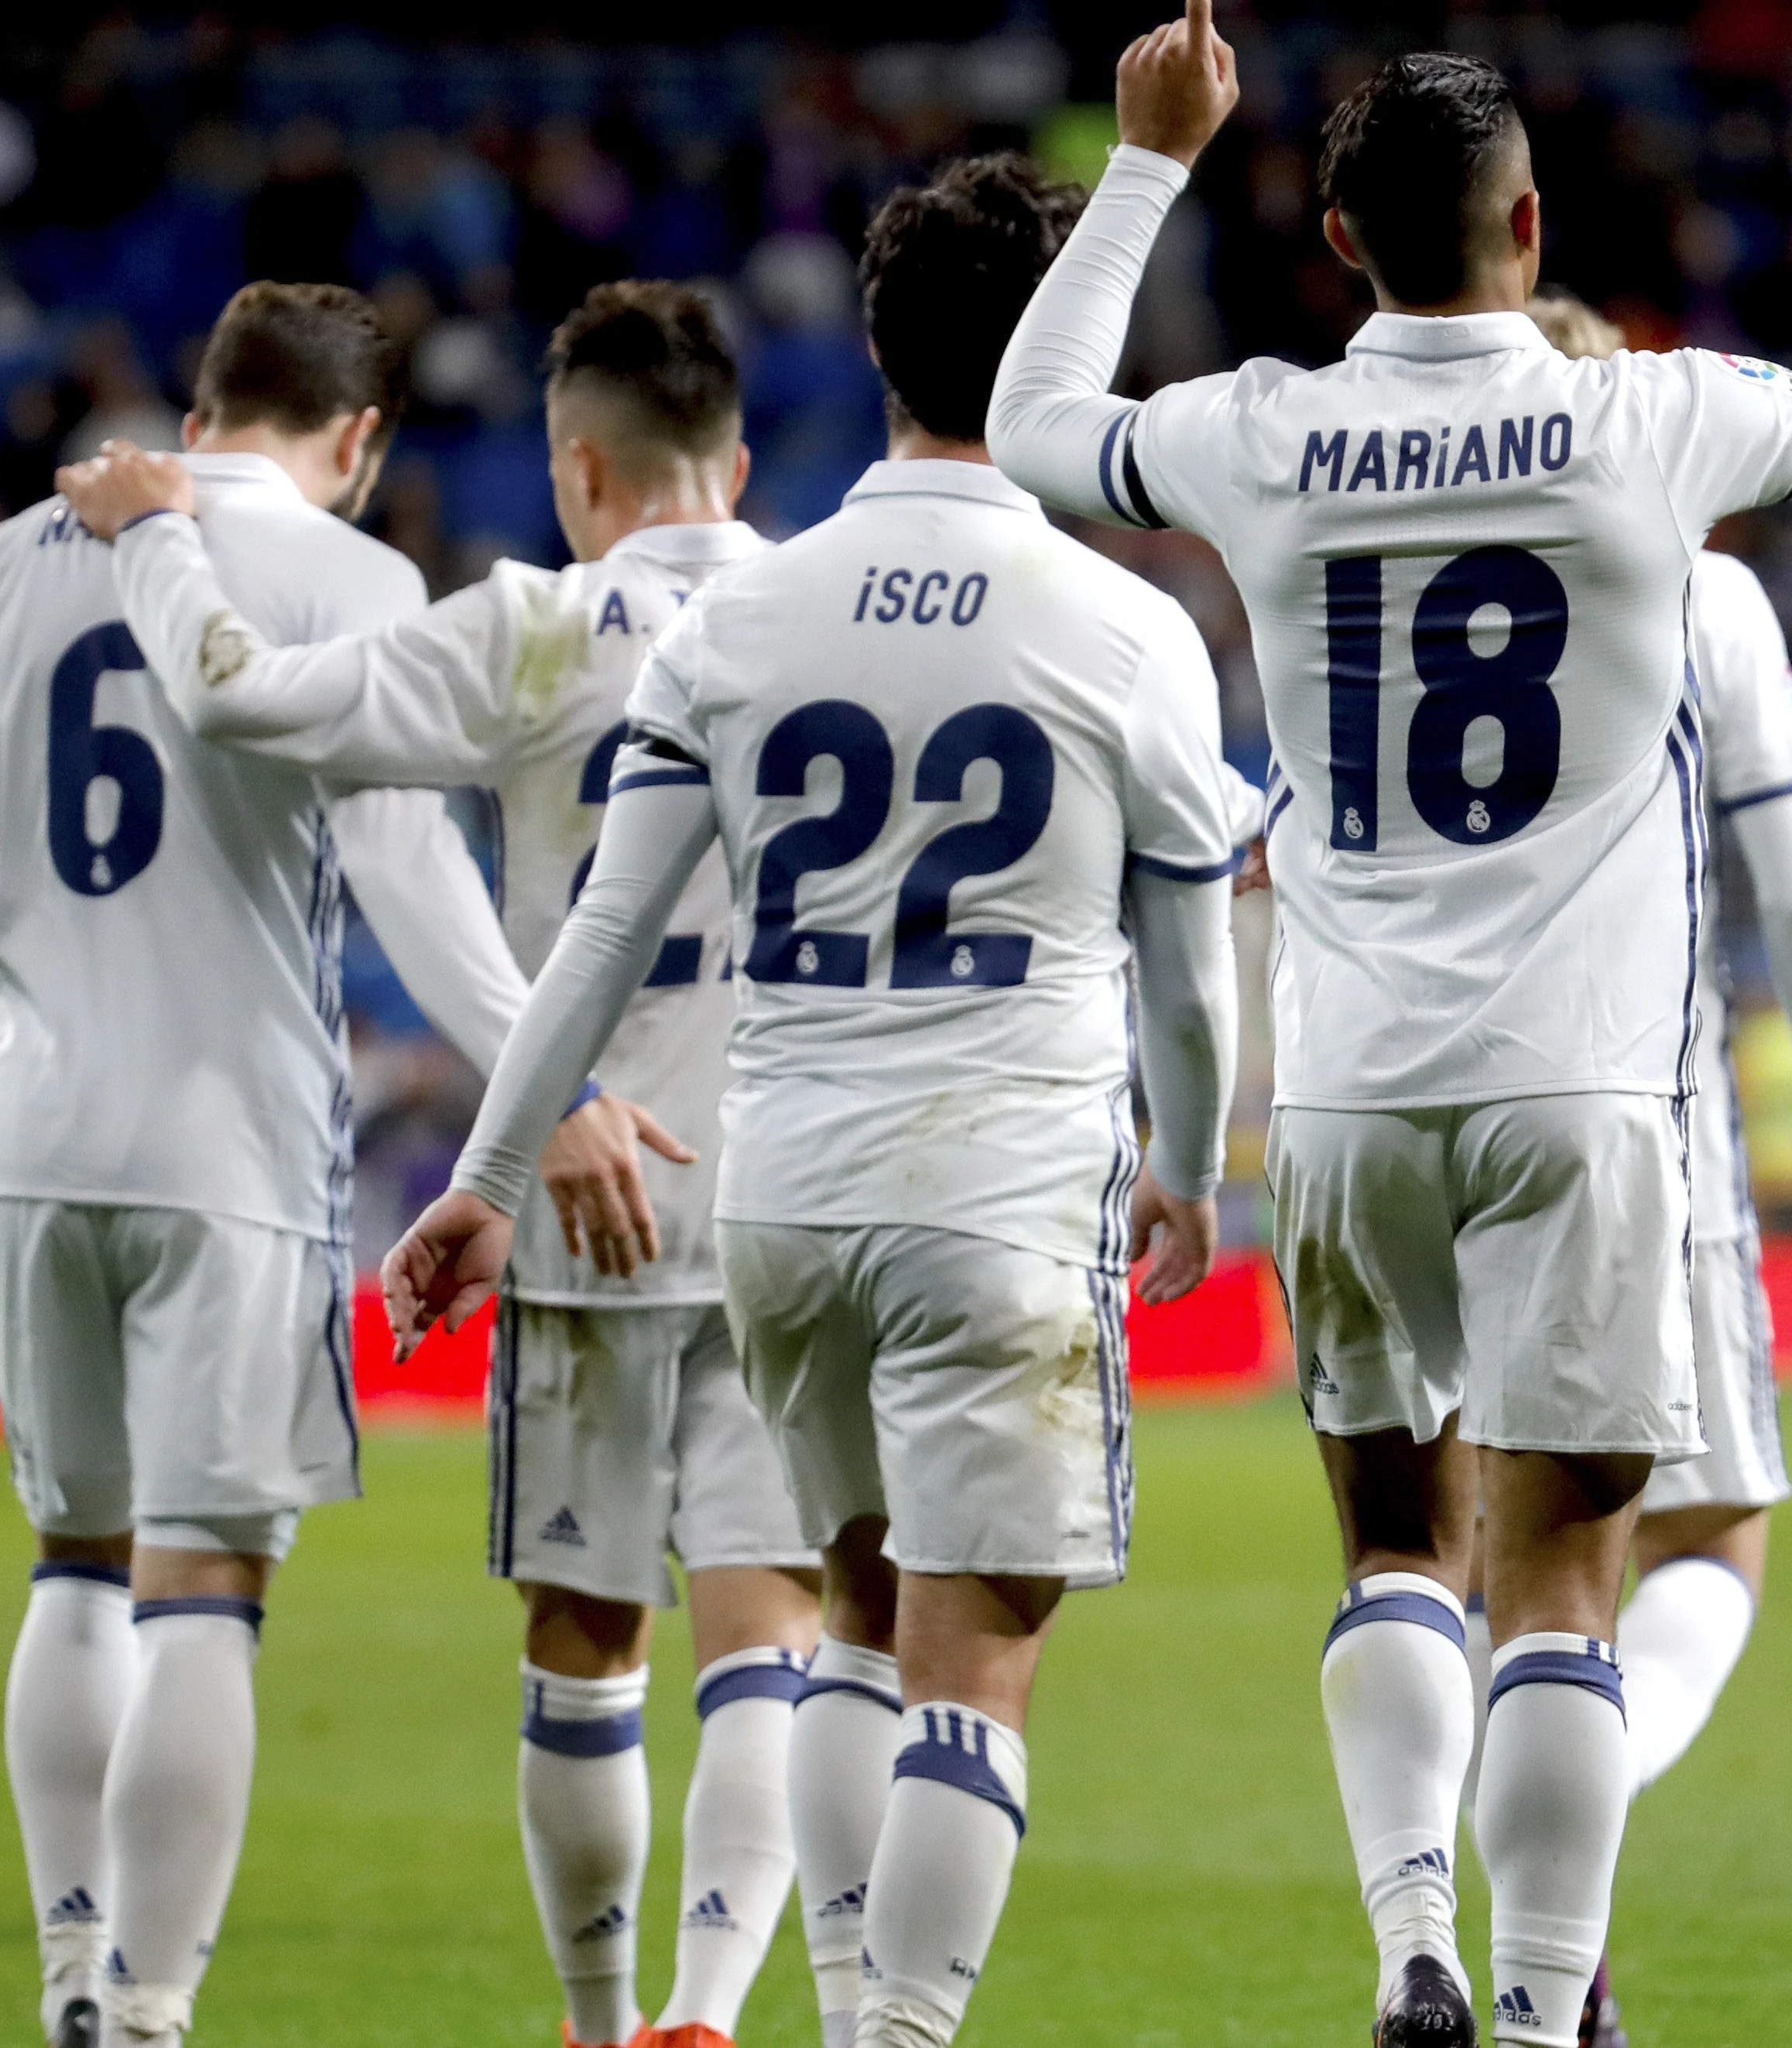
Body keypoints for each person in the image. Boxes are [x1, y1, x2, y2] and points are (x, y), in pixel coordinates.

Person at [986, 3, 1792, 2042]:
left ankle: (1412, 1947)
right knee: (1561, 1576)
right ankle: (1539, 2013)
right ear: (1530, 223)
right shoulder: (1659, 420)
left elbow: (1027, 425)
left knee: (1391, 1549)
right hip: (1588, 1091)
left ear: (1344, 245)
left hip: (1351, 1089)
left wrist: (1151, 159)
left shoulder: (1260, 428)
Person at [379, 154, 1248, 2048]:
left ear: (873, 349)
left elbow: (601, 937)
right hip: (999, 1192)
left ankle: (831, 2011)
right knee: (978, 1664)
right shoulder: (1122, 627)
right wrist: (1188, 1167)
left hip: (782, 1203)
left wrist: (487, 1173)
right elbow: (1191, 970)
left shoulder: (743, 626)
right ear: (1068, 352)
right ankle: (886, 2033)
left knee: (852, 1627)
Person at [51, 280, 820, 2048]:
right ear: (742, 457)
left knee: (586, 1643)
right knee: (765, 1628)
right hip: (788, 1188)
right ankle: (707, 2014)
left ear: (576, 465)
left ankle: (599, 2016)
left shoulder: (534, 628)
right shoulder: (828, 607)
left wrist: (166, 540)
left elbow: (248, 703)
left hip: (590, 1199)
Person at [0, 281, 574, 2048]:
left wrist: (42, 917)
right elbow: (406, 872)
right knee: (205, 1577)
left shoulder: (8, 556)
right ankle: (148, 2013)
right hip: (228, 1148)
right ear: (358, 441)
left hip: (34, 1137)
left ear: (209, 398)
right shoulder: (350, 577)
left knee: (74, 1563)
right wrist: (547, 1075)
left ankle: (73, 1968)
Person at [1502, 286, 1792, 2046]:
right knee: (1703, 1539)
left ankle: (1459, 1897)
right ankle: (1550, 1866)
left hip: (1415, 1100)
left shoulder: (1401, 569)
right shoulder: (1703, 589)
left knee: (1458, 1557)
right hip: (1643, 1105)